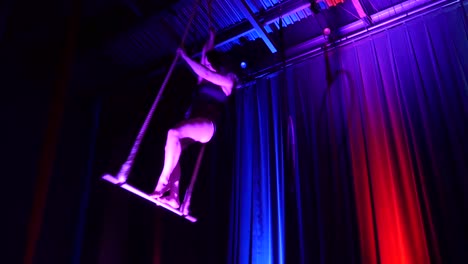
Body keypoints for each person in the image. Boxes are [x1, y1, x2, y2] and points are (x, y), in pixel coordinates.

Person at [149, 29, 237, 210]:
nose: (202, 63)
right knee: (175, 150)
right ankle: (174, 197)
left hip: (208, 125)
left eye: (205, 62)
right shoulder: (202, 79)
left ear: (214, 64)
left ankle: (161, 184)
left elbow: (207, 73)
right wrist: (211, 38)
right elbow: (206, 54)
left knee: (173, 133)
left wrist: (184, 56)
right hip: (195, 121)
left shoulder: (226, 83)